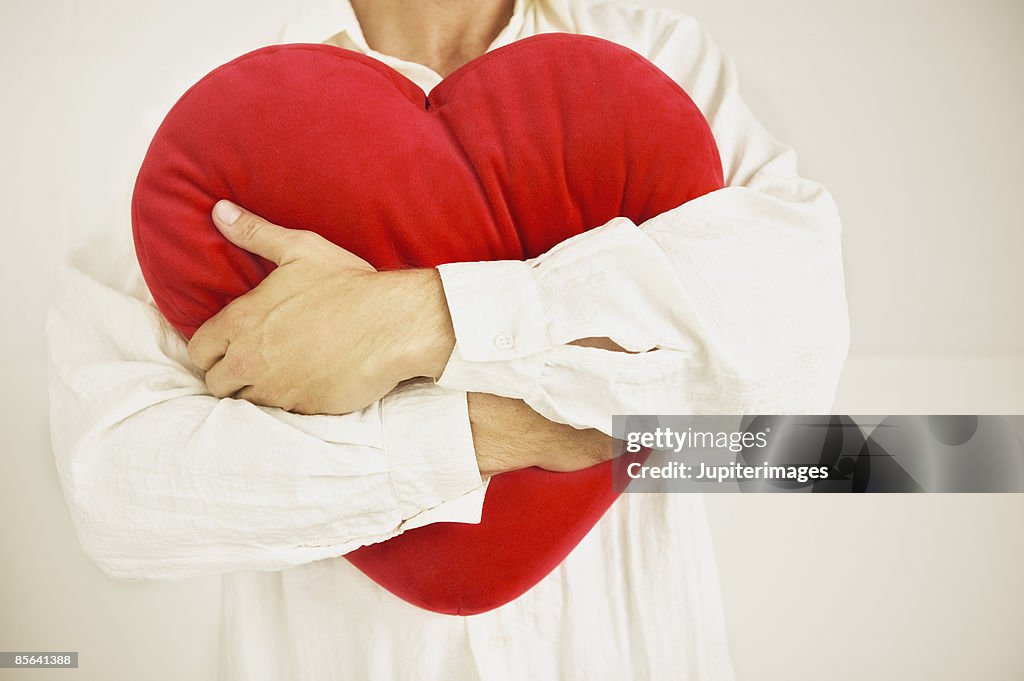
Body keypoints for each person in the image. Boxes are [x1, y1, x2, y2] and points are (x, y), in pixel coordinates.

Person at [46, 0, 850, 679]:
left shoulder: (655, 57)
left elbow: (793, 357)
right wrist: (498, 430)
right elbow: (121, 485)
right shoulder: (218, 112)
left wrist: (418, 320)